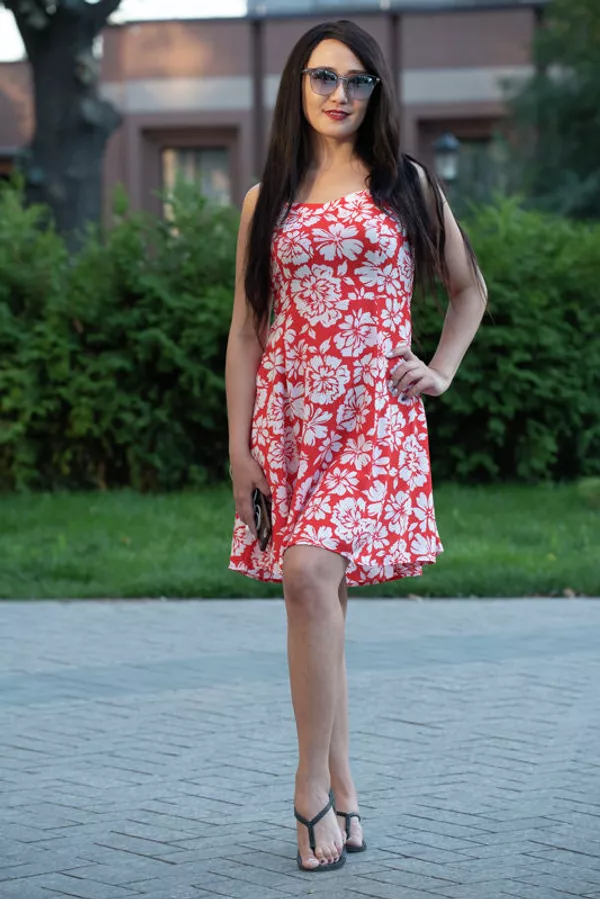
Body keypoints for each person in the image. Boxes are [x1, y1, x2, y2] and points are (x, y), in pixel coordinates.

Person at [225, 18, 487, 874]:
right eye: (323, 77)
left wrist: (439, 370)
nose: (339, 94)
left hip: (375, 419)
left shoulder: (406, 183)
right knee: (318, 598)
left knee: (308, 575)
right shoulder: (267, 198)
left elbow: (469, 290)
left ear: (376, 92)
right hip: (291, 421)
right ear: (297, 87)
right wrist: (239, 449)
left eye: (357, 80)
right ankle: (344, 785)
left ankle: (307, 790)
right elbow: (245, 331)